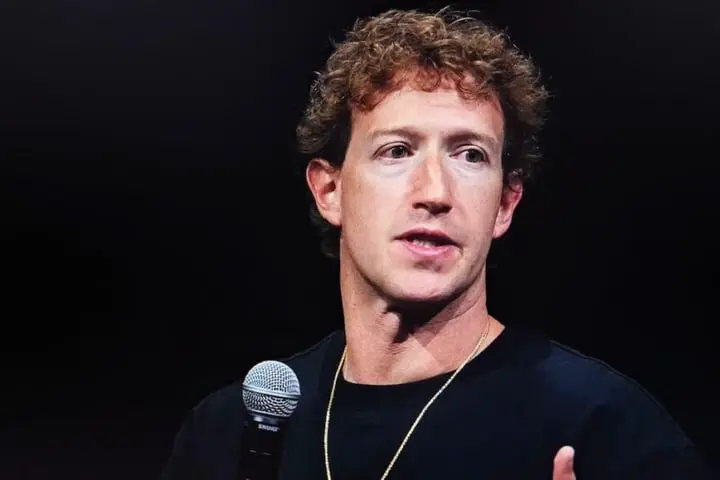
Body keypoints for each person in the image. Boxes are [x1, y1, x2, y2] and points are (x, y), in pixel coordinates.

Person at [160, 7, 710, 479]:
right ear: (330, 190)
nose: (435, 193)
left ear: (504, 204)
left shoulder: (606, 431)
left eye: (470, 155)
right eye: (397, 151)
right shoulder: (229, 432)